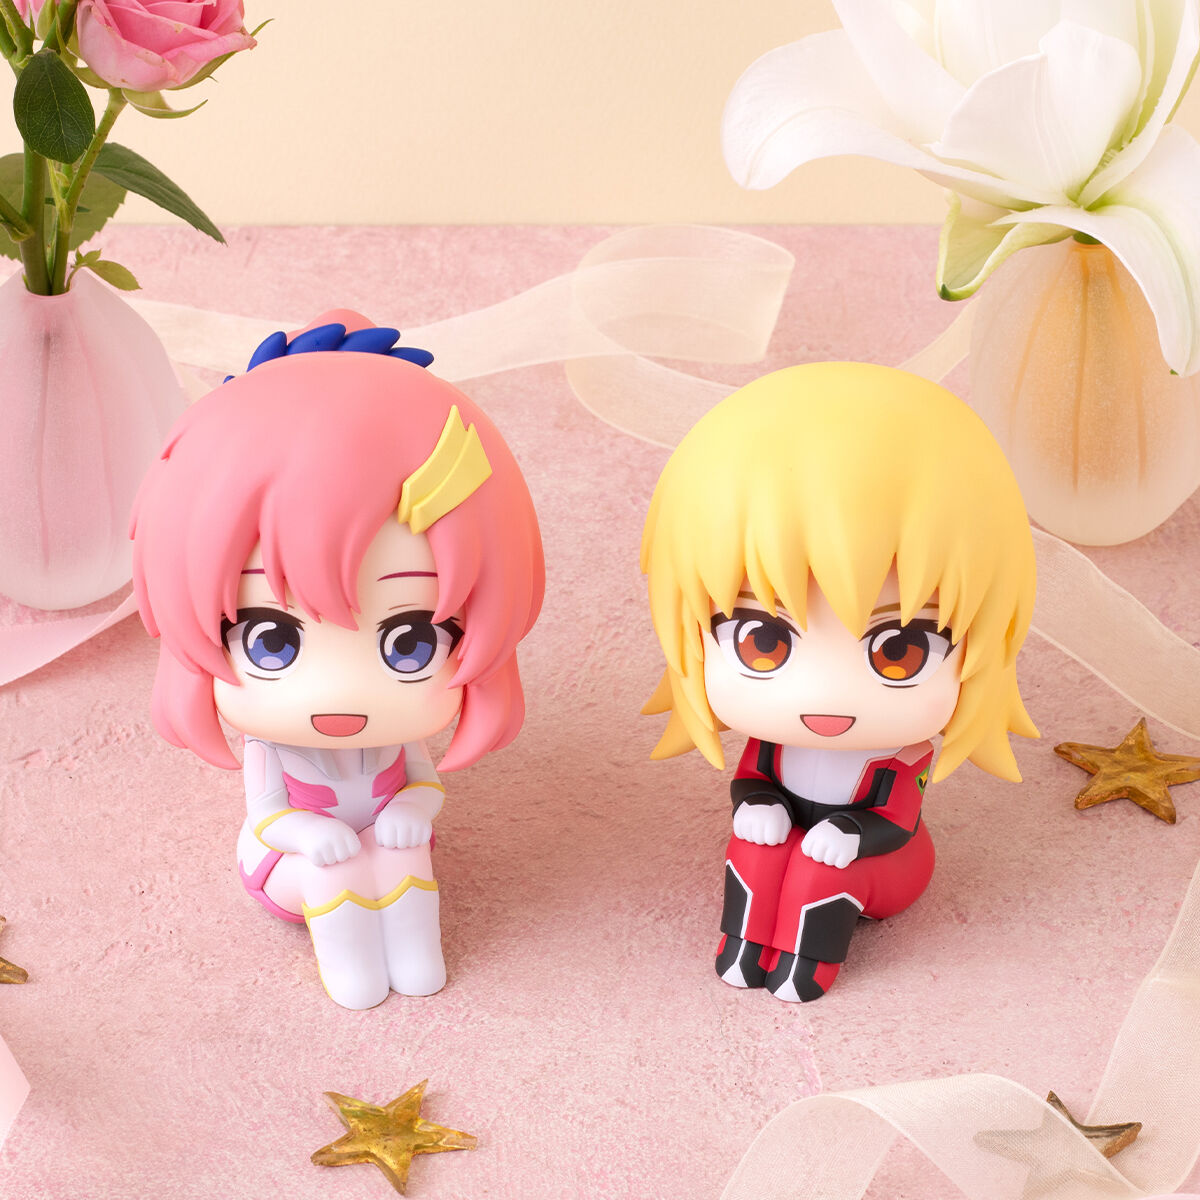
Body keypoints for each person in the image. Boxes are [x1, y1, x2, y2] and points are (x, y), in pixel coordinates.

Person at [131, 312, 544, 1009]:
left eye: (410, 641)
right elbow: (269, 816)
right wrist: (311, 832)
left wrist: (413, 807)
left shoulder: (397, 741)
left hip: (387, 851)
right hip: (289, 867)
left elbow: (423, 784)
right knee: (337, 872)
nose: (341, 691)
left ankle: (416, 961)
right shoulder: (273, 748)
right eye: (271, 639)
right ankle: (354, 973)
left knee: (402, 855)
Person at [641, 361, 1036, 1001]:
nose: (825, 694)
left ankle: (807, 966)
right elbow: (753, 780)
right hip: (798, 838)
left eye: (900, 651)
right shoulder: (773, 745)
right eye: (763, 641)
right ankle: (742, 948)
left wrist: (853, 833)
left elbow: (897, 821)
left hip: (885, 865)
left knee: (820, 876)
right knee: (753, 851)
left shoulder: (901, 756)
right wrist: (756, 803)